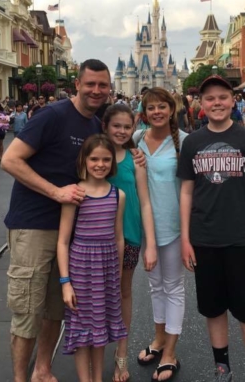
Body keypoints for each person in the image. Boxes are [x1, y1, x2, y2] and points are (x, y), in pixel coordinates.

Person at [0, 60, 118, 382]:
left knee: (57, 309)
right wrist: (56, 192)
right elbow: (9, 160)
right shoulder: (52, 116)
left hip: (72, 234)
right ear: (77, 85)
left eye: (102, 85)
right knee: (28, 309)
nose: (96, 90)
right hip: (34, 224)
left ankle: (42, 370)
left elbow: (106, 159)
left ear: (109, 88)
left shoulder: (94, 125)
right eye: (90, 84)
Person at [178, 75, 245, 382]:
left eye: (222, 97)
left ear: (233, 101)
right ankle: (223, 368)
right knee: (214, 310)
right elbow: (186, 193)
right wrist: (186, 239)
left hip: (241, 240)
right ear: (200, 105)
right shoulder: (192, 142)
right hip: (204, 239)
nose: (216, 103)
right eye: (210, 98)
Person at [57, 135, 128, 382]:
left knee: (100, 329)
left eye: (106, 159)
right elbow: (63, 241)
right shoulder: (75, 194)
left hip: (106, 269)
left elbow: (119, 238)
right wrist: (65, 282)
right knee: (81, 328)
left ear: (112, 162)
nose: (100, 164)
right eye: (94, 158)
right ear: (84, 160)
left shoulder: (118, 195)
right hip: (81, 268)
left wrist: (117, 274)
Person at [133, 88, 187, 382]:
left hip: (174, 226)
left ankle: (170, 353)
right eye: (151, 108)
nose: (157, 112)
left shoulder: (185, 143)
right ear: (144, 112)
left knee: (173, 287)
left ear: (171, 109)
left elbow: (200, 184)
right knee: (155, 286)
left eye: (161, 107)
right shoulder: (137, 139)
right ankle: (158, 339)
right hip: (145, 227)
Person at [103, 105, 158, 382]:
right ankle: (94, 350)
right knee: (98, 297)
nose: (122, 131)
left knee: (124, 292)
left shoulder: (135, 159)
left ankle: (121, 354)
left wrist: (150, 244)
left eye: (127, 126)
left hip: (129, 236)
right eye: (116, 126)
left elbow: (145, 202)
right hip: (97, 239)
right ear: (105, 127)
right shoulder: (96, 156)